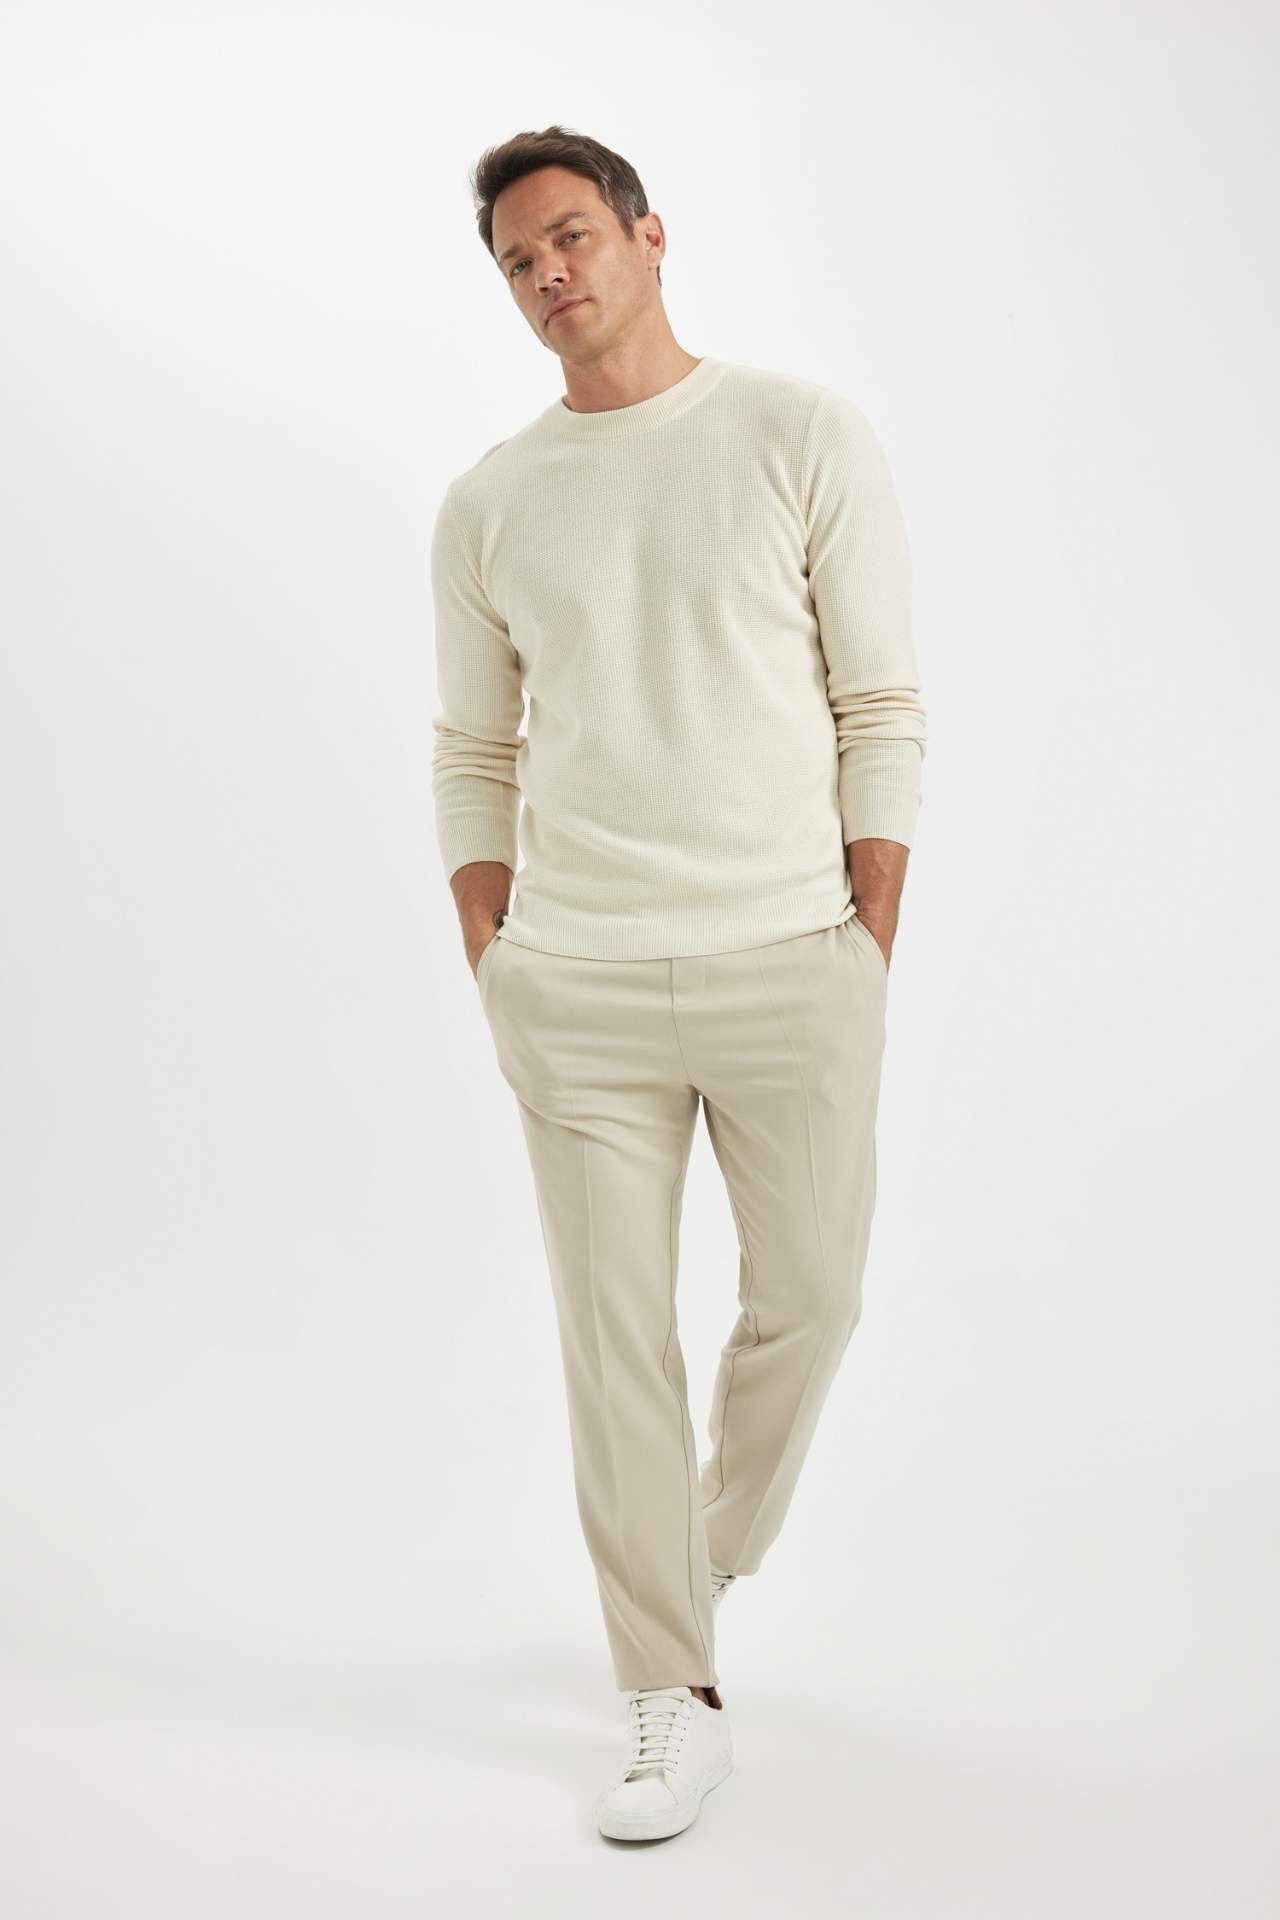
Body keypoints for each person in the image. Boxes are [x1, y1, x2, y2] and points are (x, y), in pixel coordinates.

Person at [430, 125, 927, 1844]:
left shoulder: (798, 434)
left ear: (648, 238)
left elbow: (880, 701)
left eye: (571, 236)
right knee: (613, 1343)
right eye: (519, 261)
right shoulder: (492, 501)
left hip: (792, 960)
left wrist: (865, 932)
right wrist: (494, 949)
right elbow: (472, 747)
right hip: (573, 988)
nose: (548, 274)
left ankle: (697, 1550)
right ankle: (671, 1693)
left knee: (814, 1299)